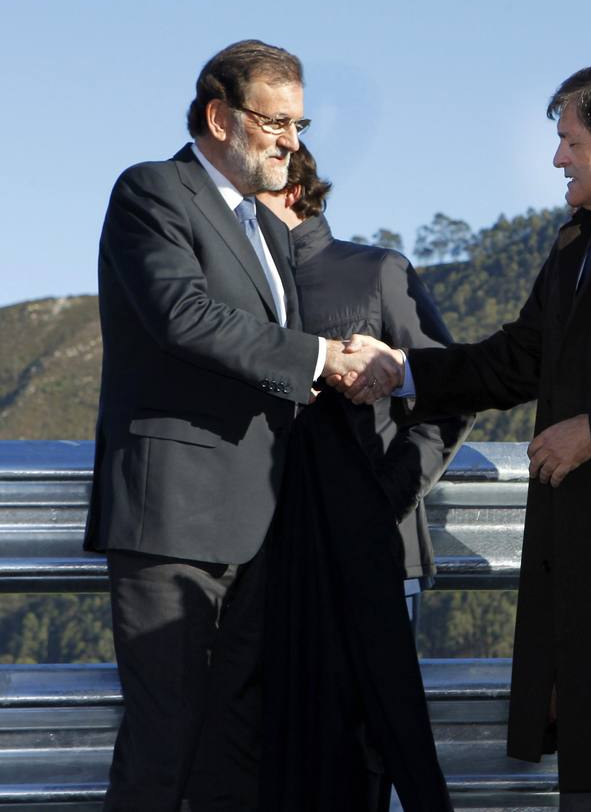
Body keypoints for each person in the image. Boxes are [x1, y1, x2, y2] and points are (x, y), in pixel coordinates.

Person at [341, 60, 591, 810]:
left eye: (569, 141)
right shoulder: (577, 244)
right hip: (590, 594)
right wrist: (404, 371)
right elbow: (518, 359)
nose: (558, 158)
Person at [86, 40, 401, 811]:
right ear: (220, 117)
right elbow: (184, 318)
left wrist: (364, 369)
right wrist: (323, 358)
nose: (292, 141)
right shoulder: (153, 192)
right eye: (276, 122)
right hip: (173, 525)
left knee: (235, 751)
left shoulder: (266, 233)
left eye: (299, 123)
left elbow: (275, 360)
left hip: (260, 528)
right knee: (167, 745)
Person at [255, 146, 470, 811]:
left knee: (383, 743)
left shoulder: (376, 271)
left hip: (380, 555)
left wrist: (386, 497)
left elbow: (447, 395)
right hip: (272, 563)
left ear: (293, 190)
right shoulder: (240, 289)